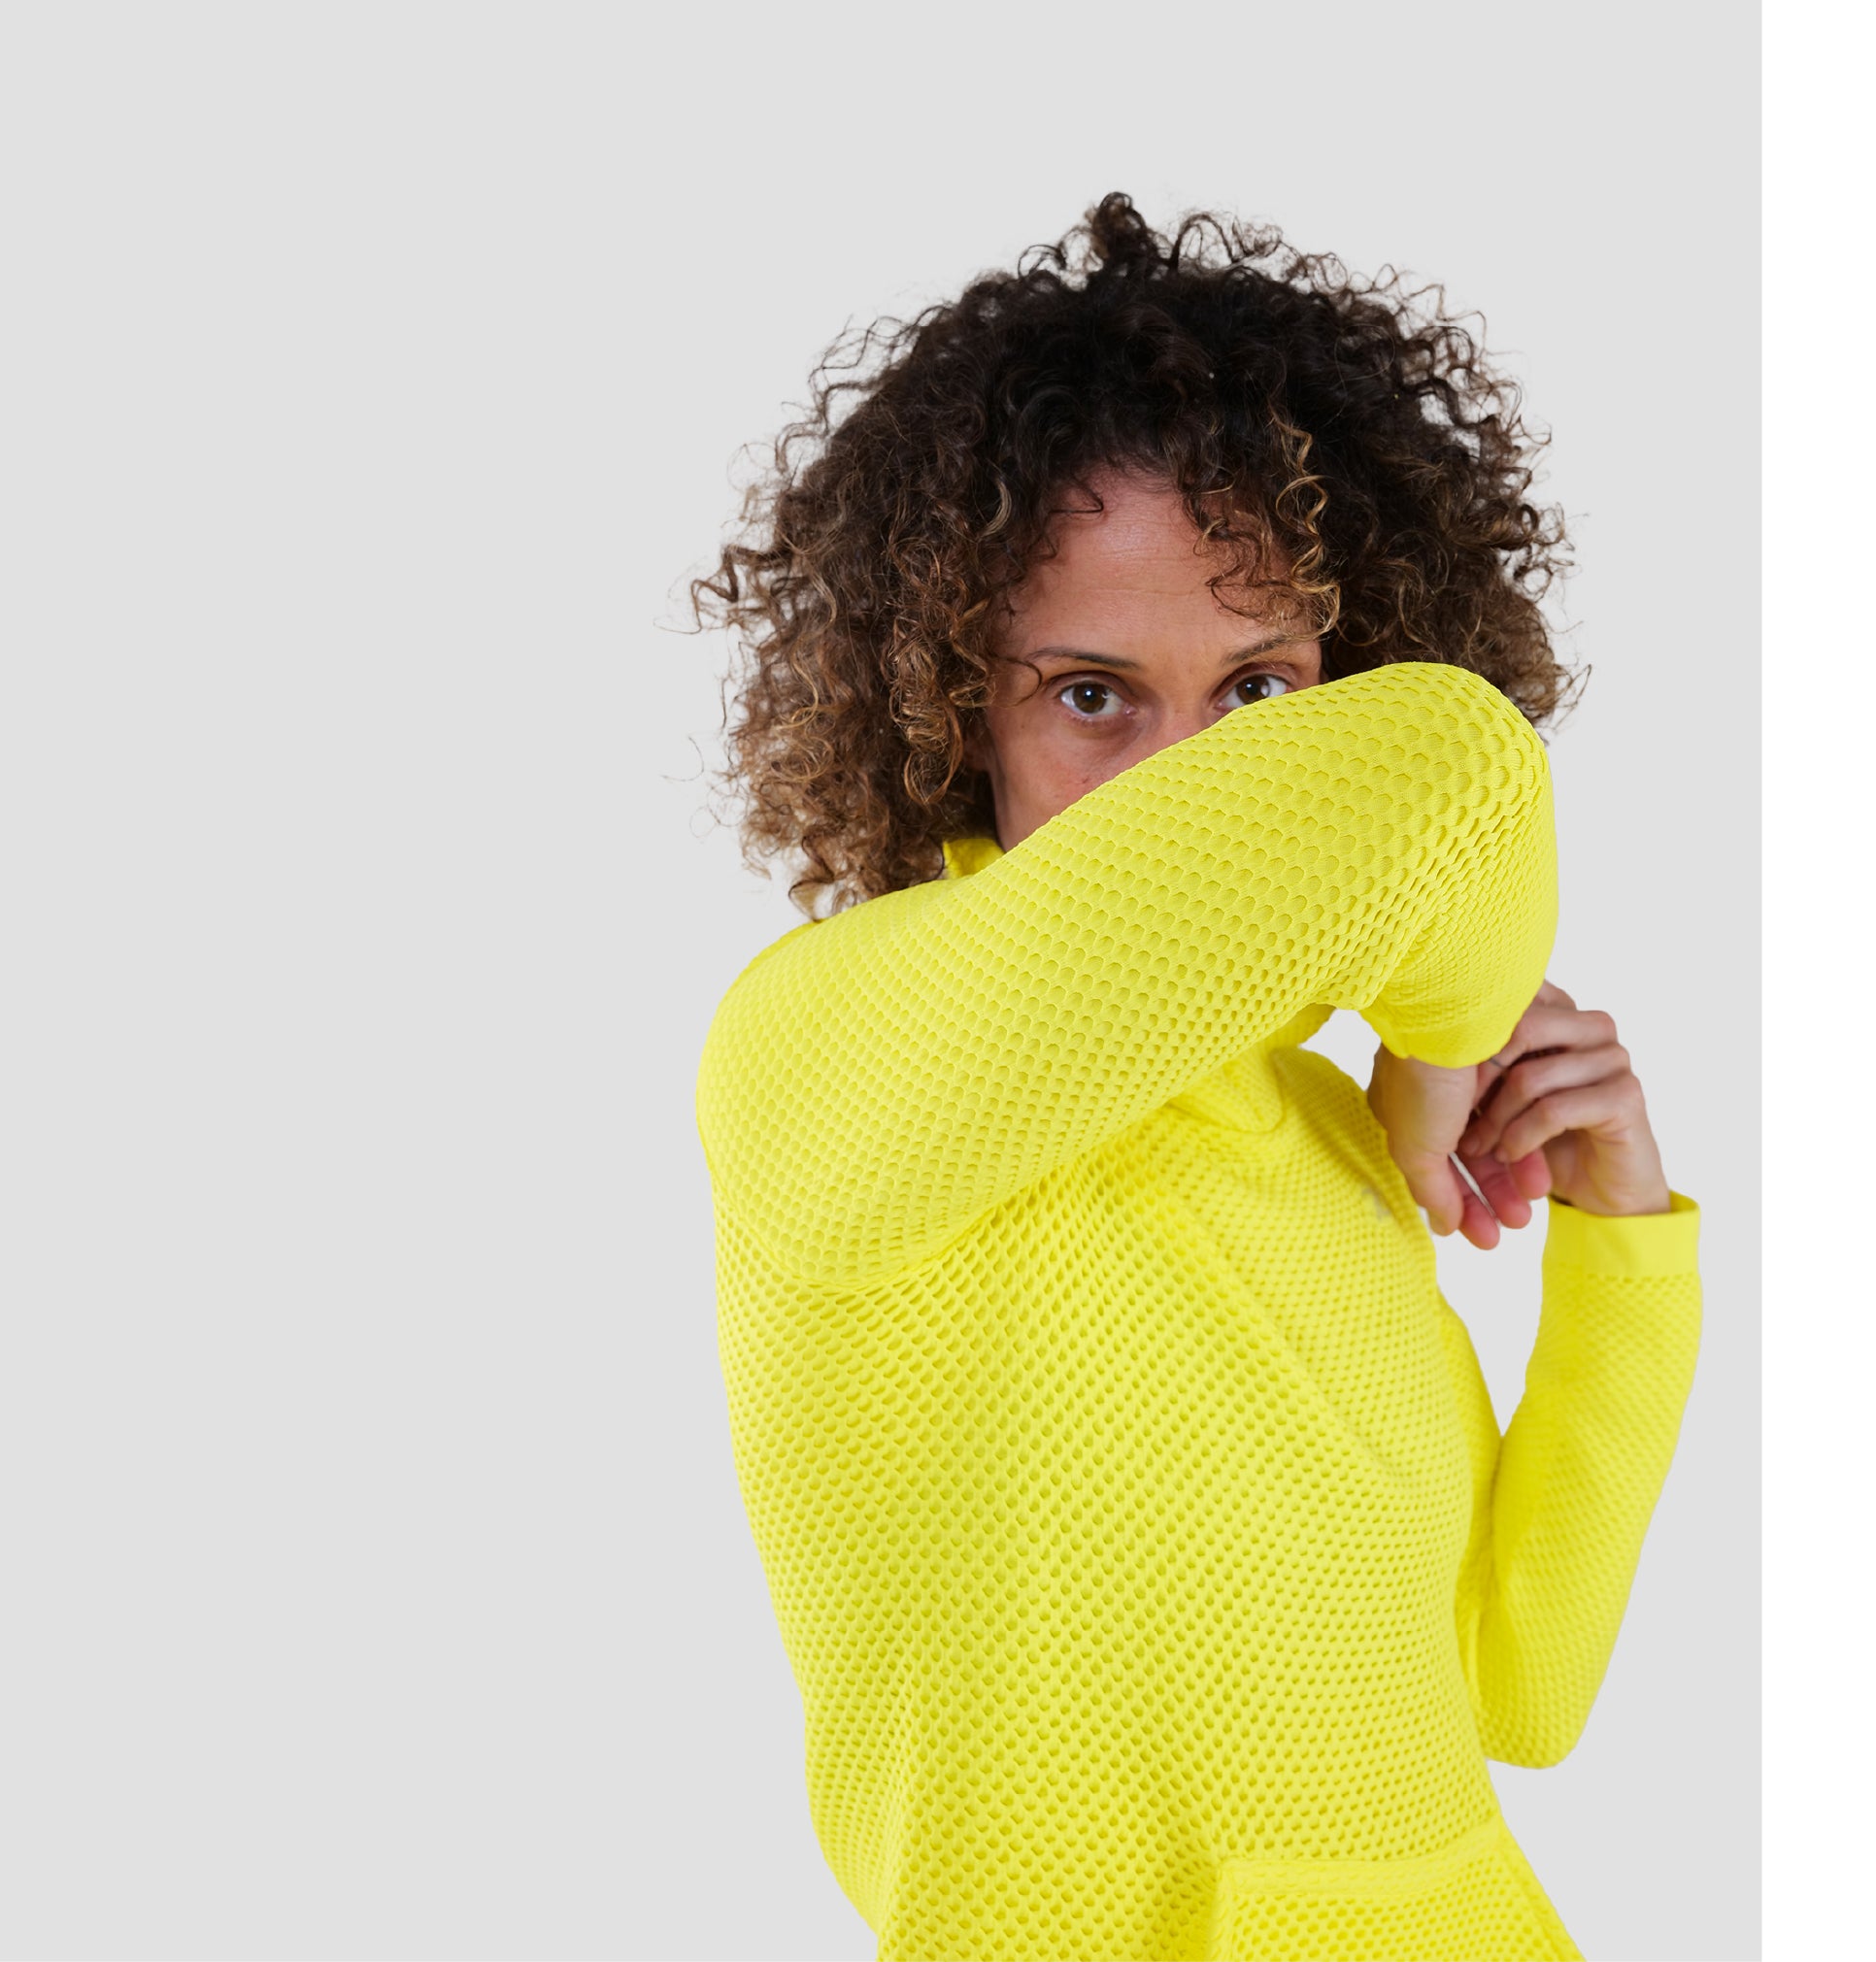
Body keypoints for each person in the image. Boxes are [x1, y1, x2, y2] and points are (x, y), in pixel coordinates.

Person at [688, 194, 1701, 1962]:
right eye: (1093, 694)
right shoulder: (825, 1045)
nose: (1185, 783)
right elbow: (1456, 761)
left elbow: (1519, 1688)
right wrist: (1441, 1049)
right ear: (947, 706)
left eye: (1258, 694)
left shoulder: (1315, 1132)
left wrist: (1626, 1247)